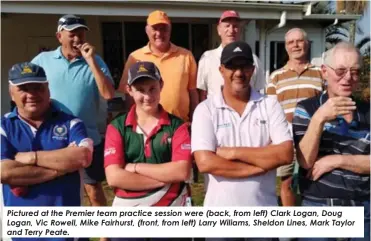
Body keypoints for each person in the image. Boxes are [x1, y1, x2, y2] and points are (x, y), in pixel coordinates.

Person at [192, 41, 293, 240]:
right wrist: (261, 165)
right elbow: (205, 163)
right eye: (232, 66)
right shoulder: (206, 109)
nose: (239, 73)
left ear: (253, 70)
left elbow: (285, 153)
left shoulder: (270, 105)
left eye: (244, 66)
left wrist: (232, 152)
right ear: (221, 70)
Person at [1, 62, 93, 241]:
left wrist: (30, 158)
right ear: (11, 93)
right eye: (23, 89)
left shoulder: (71, 123)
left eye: (38, 87)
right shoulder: (3, 127)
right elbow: (4, 172)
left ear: (48, 89)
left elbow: (82, 157)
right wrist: (63, 167)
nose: (32, 94)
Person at [31, 14, 115, 208]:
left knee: (93, 190)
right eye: (72, 34)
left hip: (87, 138)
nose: (78, 39)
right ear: (59, 36)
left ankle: (104, 236)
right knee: (54, 186)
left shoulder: (96, 61)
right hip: (51, 137)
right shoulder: (43, 60)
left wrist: (91, 61)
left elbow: (109, 94)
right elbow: (27, 89)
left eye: (81, 34)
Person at [105, 61, 192, 240]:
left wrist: (135, 168)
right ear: (129, 90)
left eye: (152, 88)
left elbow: (181, 171)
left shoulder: (178, 127)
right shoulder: (117, 127)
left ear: (161, 85)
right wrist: (165, 178)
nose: (147, 96)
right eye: (140, 90)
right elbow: (114, 177)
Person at [293, 42, 370, 241]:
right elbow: (305, 161)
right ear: (325, 72)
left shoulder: (367, 111)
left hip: (362, 208)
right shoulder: (307, 109)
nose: (347, 78)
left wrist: (335, 160)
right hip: (318, 207)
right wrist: (319, 118)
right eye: (341, 70)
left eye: (354, 72)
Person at [266, 28, 325, 206]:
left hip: (315, 137)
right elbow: (270, 109)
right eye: (291, 42)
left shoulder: (321, 73)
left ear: (307, 44)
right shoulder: (276, 77)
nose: (295, 45)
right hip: (286, 138)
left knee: (316, 179)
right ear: (286, 47)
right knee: (287, 183)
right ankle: (290, 227)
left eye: (299, 41)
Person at [118, 10, 199, 122]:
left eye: (163, 29)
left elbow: (193, 92)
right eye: (155, 29)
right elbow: (129, 94)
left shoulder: (186, 56)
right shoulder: (135, 57)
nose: (159, 33)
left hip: (181, 125)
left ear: (170, 30)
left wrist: (195, 121)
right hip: (147, 127)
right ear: (147, 30)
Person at [197, 10, 265, 101]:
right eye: (227, 26)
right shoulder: (207, 58)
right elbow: (202, 93)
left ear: (240, 30)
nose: (231, 30)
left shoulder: (253, 59)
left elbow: (258, 93)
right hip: (215, 113)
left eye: (235, 26)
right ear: (219, 30)